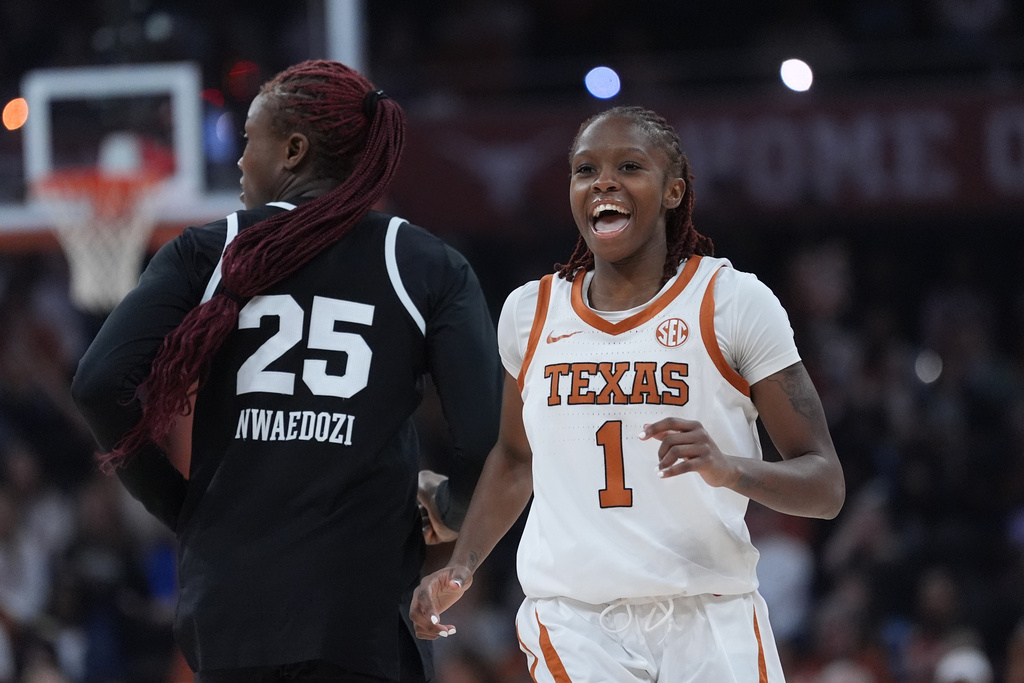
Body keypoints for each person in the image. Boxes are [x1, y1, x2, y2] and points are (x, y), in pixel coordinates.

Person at [71, 60, 502, 683]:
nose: (240, 160)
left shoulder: (209, 250)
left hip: (232, 613)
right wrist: (450, 510)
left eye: (250, 140)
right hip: (361, 614)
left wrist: (183, 507)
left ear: (293, 151)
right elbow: (483, 441)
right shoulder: (425, 263)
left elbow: (97, 384)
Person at [409, 105, 845, 682]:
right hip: (576, 618)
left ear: (673, 191)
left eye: (630, 166)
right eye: (585, 170)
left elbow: (825, 486)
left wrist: (729, 469)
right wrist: (461, 567)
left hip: (712, 612)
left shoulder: (733, 302)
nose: (604, 182)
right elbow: (515, 459)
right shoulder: (530, 312)